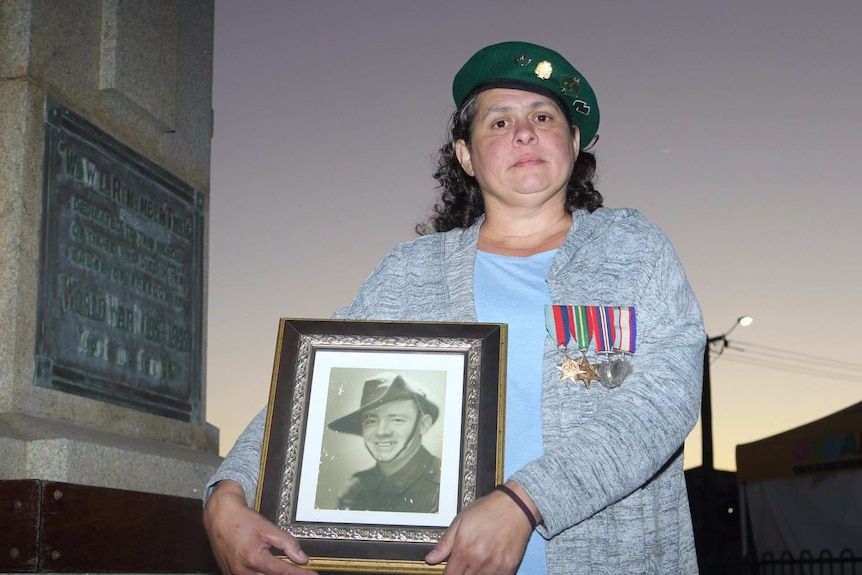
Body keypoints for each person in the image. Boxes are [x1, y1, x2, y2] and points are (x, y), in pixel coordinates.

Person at [203, 40, 704, 575]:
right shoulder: (410, 271)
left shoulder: (632, 248)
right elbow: (314, 391)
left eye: (542, 116)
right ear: (465, 155)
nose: (524, 132)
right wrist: (225, 493)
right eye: (498, 123)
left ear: (574, 141)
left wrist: (524, 501)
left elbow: (663, 398)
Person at [327, 372, 442, 513]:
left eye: (397, 420)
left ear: (423, 425)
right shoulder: (354, 488)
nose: (382, 431)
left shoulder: (444, 487)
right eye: (371, 421)